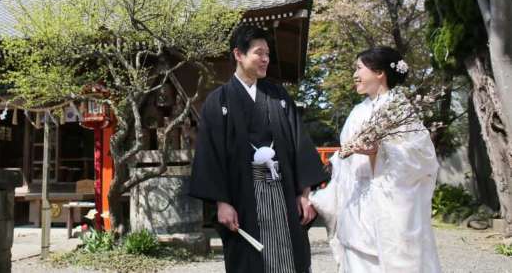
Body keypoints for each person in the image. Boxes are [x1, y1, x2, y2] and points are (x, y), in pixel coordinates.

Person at [189, 25, 327, 273]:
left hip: (283, 193)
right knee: (248, 261)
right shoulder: (217, 102)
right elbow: (211, 156)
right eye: (258, 52)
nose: (265, 59)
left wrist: (305, 193)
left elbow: (300, 145)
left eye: (268, 54)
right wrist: (222, 202)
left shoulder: (279, 96)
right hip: (242, 199)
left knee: (290, 260)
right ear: (238, 55)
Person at [310, 46, 442, 272]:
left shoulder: (400, 110)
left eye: (359, 68)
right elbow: (344, 161)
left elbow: (423, 159)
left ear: (379, 72)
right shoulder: (357, 111)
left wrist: (380, 151)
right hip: (355, 206)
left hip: (388, 204)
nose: (355, 74)